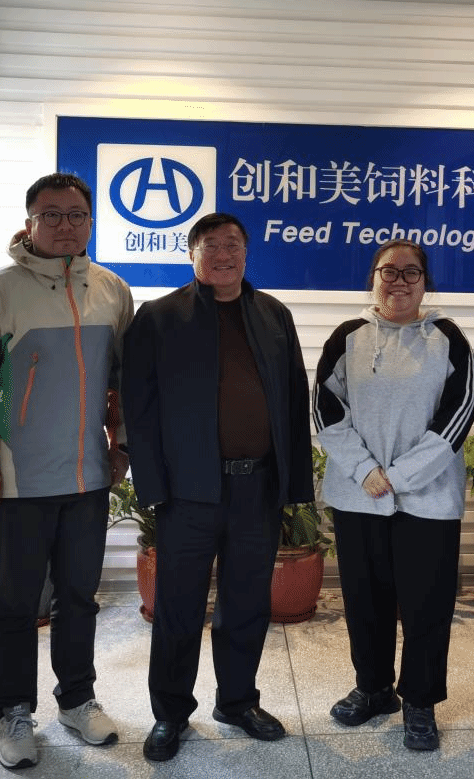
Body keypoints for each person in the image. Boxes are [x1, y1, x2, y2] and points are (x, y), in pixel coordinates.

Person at [0, 172, 133, 769]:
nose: (64, 226)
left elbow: (123, 381)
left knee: (79, 598)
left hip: (86, 478)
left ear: (90, 223)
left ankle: (76, 699)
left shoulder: (111, 290)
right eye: (51, 214)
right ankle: (13, 712)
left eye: (76, 215)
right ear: (29, 222)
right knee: (16, 605)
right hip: (17, 478)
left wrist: (122, 445)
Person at [121, 212, 313, 763]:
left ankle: (237, 702)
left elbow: (292, 400)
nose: (223, 255)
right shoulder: (159, 317)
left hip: (258, 488)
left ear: (247, 253)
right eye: (211, 245)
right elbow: (139, 407)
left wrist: (293, 484)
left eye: (233, 245)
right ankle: (170, 713)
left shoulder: (273, 314)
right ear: (192, 254)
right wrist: (153, 487)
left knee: (247, 603)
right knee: (177, 607)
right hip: (188, 493)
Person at [313, 240, 474, 751]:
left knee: (427, 605)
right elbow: (324, 408)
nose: (399, 281)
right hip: (359, 495)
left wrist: (400, 476)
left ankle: (420, 701)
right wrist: (365, 471)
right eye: (389, 271)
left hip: (427, 498)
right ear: (373, 278)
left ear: (425, 282)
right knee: (365, 600)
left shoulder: (449, 339)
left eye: (411, 272)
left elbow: (459, 413)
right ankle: (373, 688)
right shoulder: (348, 336)